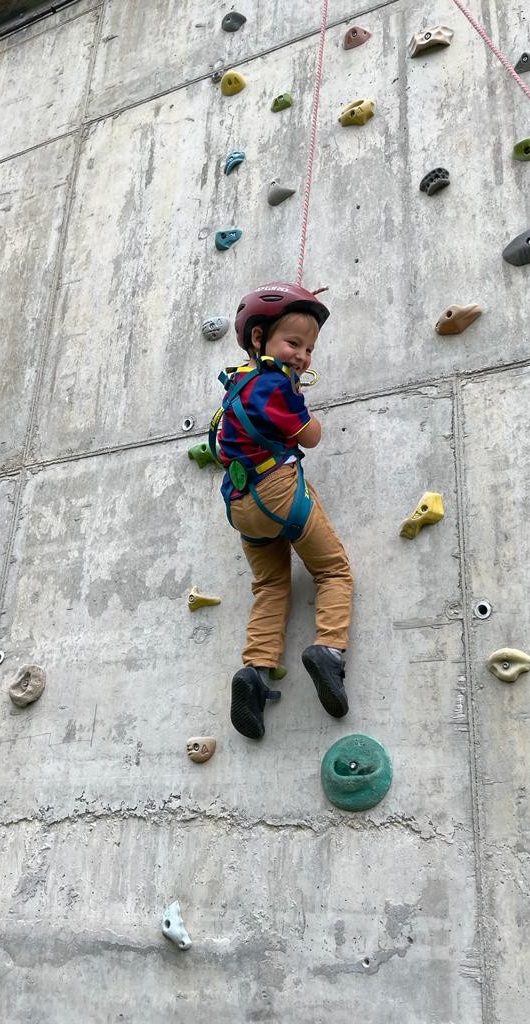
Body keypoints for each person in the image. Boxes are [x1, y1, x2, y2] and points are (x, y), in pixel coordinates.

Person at [211, 283, 353, 741]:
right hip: (278, 490)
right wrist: (308, 414)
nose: (303, 356)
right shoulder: (275, 385)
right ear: (259, 338)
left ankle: (255, 673)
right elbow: (310, 436)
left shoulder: (238, 383)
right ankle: (328, 650)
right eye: (294, 343)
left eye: (309, 349)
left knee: (271, 587)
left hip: (240, 502)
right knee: (332, 571)